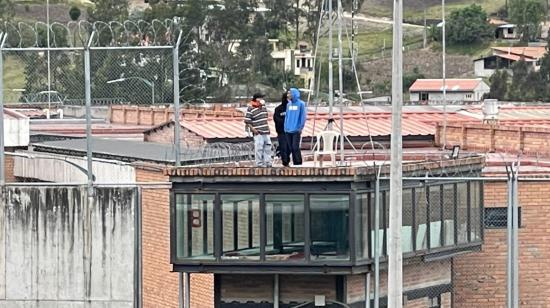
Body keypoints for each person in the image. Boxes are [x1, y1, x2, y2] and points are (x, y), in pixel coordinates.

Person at [244, 93, 272, 167]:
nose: (262, 100)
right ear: (257, 99)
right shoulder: (250, 108)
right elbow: (247, 120)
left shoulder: (263, 107)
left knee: (268, 148)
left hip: (266, 131)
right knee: (259, 148)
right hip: (258, 132)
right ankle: (259, 163)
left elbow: (265, 117)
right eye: (261, 98)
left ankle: (268, 162)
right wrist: (253, 129)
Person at [284, 88, 307, 166]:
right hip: (288, 130)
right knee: (290, 148)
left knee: (295, 147)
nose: (288, 95)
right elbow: (286, 116)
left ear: (294, 94)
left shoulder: (301, 104)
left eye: (289, 93)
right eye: (287, 94)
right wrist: (285, 127)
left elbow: (303, 116)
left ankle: (298, 163)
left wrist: (300, 127)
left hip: (296, 130)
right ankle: (294, 163)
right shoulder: (288, 104)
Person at [273, 92, 290, 166]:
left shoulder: (292, 108)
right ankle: (285, 162)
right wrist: (285, 122)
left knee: (290, 147)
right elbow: (276, 119)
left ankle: (287, 160)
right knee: (283, 147)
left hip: (291, 131)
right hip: (282, 132)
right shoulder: (278, 109)